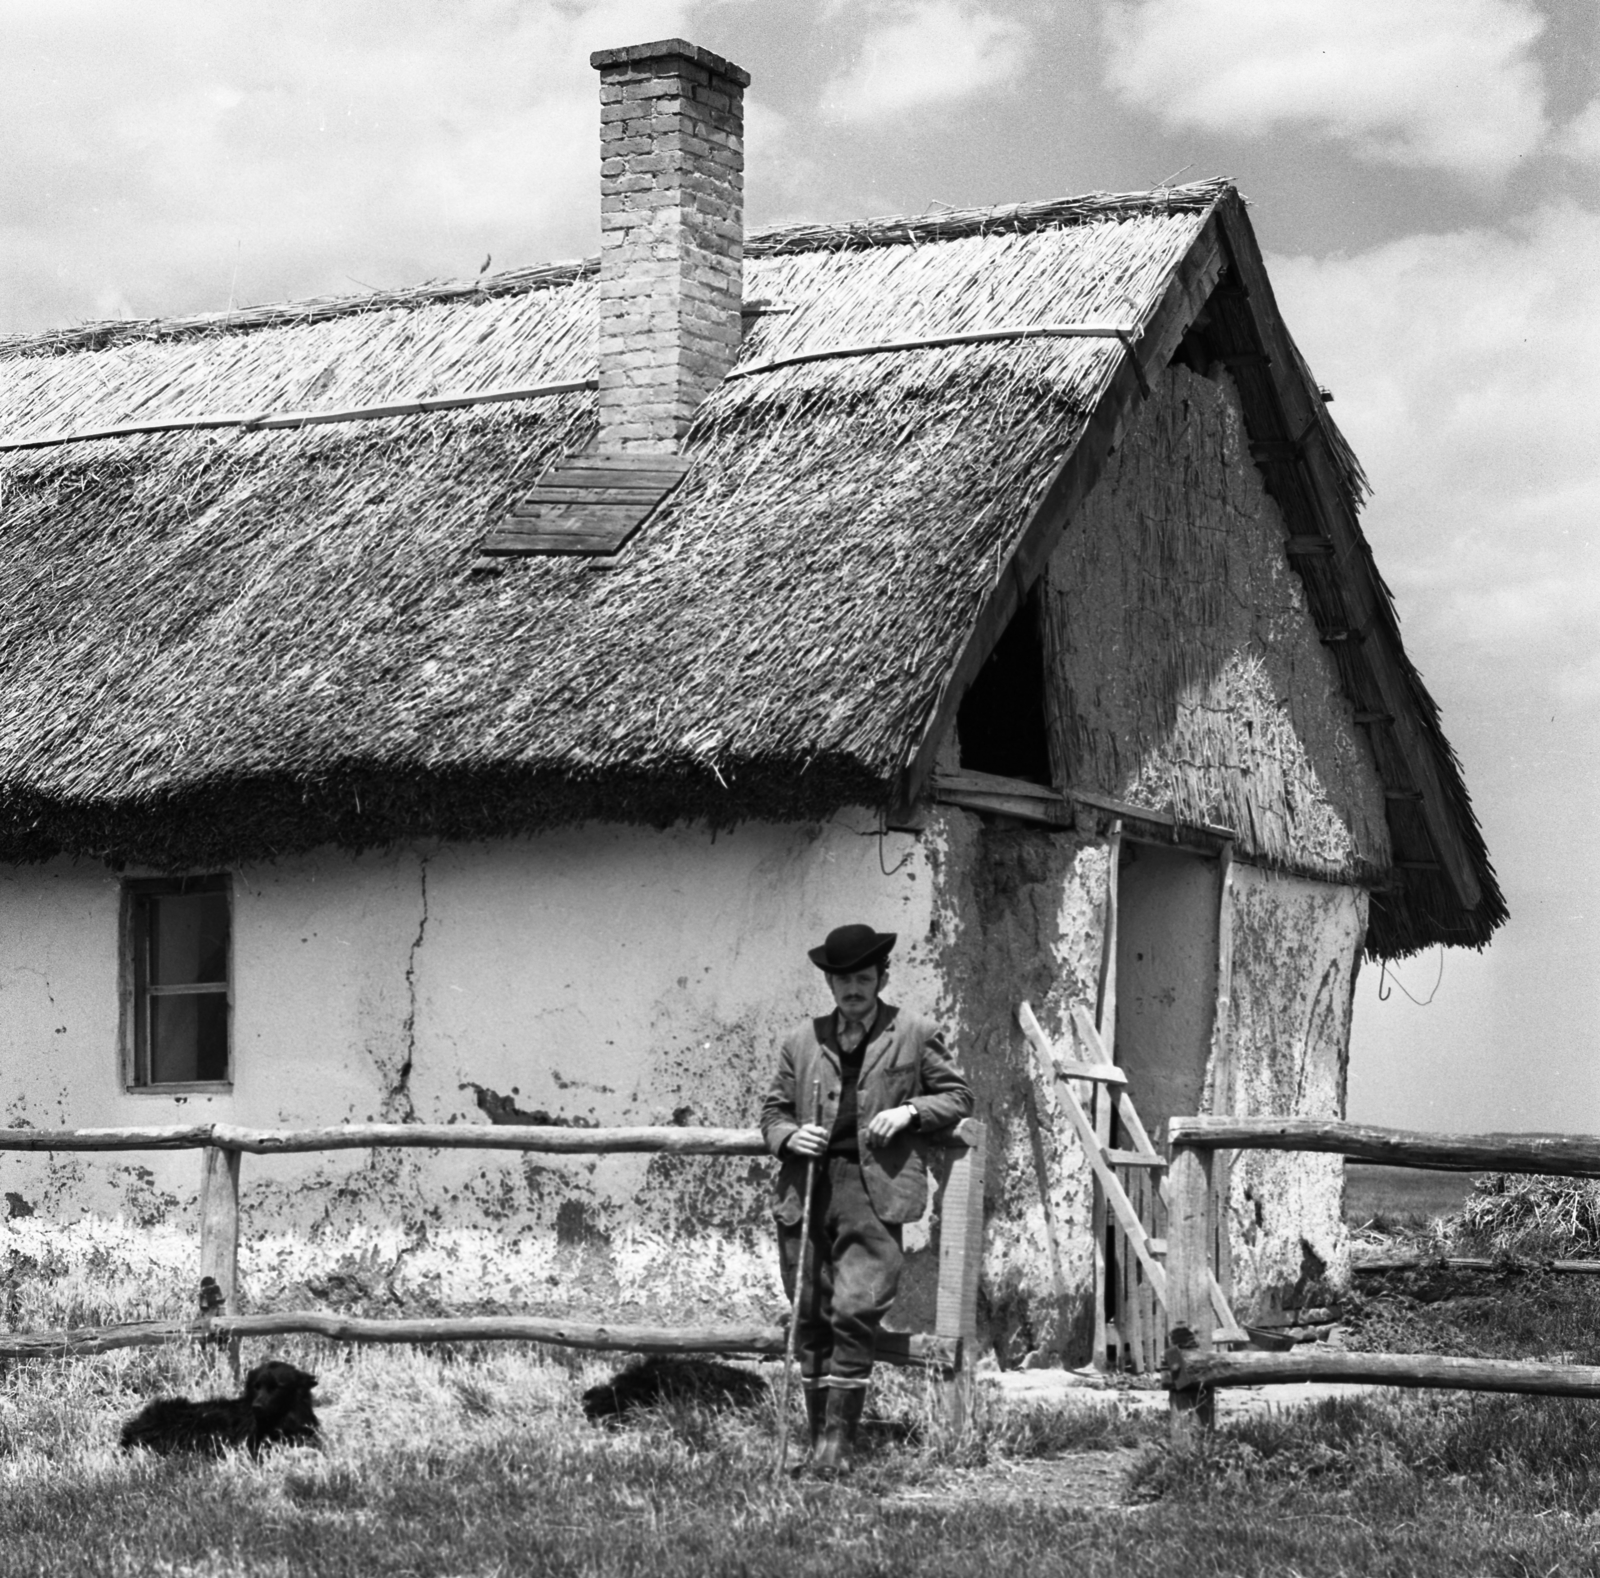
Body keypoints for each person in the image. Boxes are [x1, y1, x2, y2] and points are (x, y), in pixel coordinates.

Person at [761, 923, 974, 1474]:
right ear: (829, 985)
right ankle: (813, 1441)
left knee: (854, 1309)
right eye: (842, 980)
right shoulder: (801, 1041)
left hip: (873, 1189)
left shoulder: (915, 1032)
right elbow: (773, 1111)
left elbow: (957, 1096)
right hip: (807, 1189)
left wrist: (910, 1112)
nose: (852, 988)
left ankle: (838, 1447)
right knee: (809, 1313)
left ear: (881, 977)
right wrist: (788, 1137)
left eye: (862, 977)